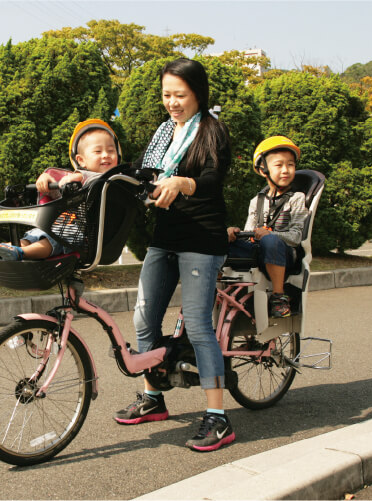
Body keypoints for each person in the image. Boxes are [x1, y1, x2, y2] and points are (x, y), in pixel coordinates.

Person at [113, 58, 235, 452]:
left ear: (198, 93)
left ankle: (218, 418)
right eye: (167, 95)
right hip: (164, 236)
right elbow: (144, 171)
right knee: (144, 317)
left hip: (202, 238)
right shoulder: (164, 132)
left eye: (179, 95)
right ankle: (153, 397)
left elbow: (215, 179)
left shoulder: (212, 130)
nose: (172, 102)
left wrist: (184, 181)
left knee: (198, 324)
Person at [0, 119, 122, 261]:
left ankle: (21, 253)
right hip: (63, 229)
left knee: (52, 241)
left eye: (111, 150)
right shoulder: (78, 181)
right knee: (33, 236)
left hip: (83, 239)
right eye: (98, 151)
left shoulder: (115, 180)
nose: (106, 155)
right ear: (81, 160)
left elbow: (95, 179)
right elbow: (62, 199)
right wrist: (49, 183)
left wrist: (78, 176)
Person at [227, 136, 308, 318]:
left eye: (291, 165)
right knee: (217, 238)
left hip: (284, 254)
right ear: (263, 169)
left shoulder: (297, 198)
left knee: (270, 240)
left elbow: (296, 237)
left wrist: (270, 234)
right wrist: (234, 233)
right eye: (279, 165)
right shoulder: (256, 201)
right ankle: (214, 291)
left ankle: (279, 297)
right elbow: (249, 235)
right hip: (258, 252)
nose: (286, 170)